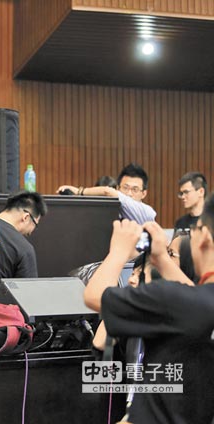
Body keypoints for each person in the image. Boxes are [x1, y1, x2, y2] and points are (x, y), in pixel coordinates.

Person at [84, 206, 214, 423]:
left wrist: (118, 251)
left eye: (196, 229)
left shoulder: (171, 300)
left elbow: (93, 295)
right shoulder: (197, 304)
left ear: (206, 236)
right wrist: (162, 258)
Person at [0, 191, 47, 301]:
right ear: (26, 217)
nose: (31, 231)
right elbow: (28, 297)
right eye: (35, 224)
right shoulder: (24, 248)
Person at [57, 163, 156, 224]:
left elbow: (107, 191)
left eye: (135, 189)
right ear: (118, 188)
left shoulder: (147, 212)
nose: (129, 194)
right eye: (125, 188)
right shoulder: (114, 210)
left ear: (144, 193)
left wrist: (79, 191)